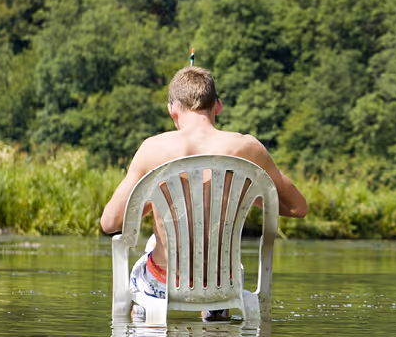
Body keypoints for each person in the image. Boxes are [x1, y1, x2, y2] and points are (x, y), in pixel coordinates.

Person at [101, 67, 308, 309]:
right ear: (217, 106)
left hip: (164, 283)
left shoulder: (152, 148)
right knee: (220, 274)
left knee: (145, 258)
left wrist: (153, 201)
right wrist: (244, 196)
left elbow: (110, 223)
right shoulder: (249, 148)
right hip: (224, 283)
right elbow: (298, 207)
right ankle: (215, 323)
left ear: (172, 110)